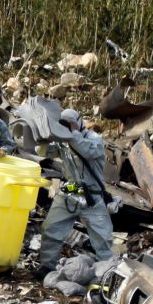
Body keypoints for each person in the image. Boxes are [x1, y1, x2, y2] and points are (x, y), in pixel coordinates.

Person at [38, 108, 114, 274]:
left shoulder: (94, 139)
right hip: (70, 192)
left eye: (72, 123)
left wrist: (71, 134)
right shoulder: (62, 141)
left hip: (92, 196)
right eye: (65, 124)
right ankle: (47, 266)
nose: (69, 127)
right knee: (50, 229)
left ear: (79, 122)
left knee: (103, 239)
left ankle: (108, 274)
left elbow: (86, 151)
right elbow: (42, 151)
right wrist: (43, 135)